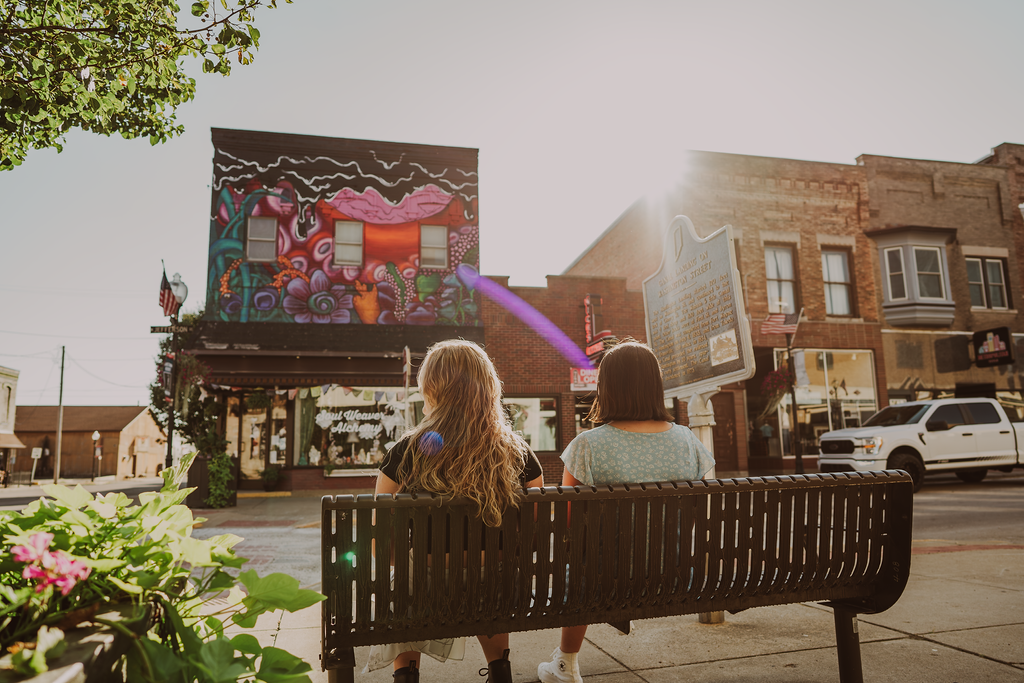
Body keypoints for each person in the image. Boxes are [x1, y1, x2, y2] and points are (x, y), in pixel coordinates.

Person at [537, 340, 714, 683]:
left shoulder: (587, 446)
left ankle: (566, 664)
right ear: (655, 387)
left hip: (602, 582)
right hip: (676, 576)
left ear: (606, 388)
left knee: (584, 567)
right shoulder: (688, 441)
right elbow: (695, 512)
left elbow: (569, 525)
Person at [368, 339, 544, 683]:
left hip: (425, 587)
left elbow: (378, 539)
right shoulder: (516, 451)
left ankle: (405, 675)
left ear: (432, 391)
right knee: (488, 574)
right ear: (488, 388)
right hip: (500, 583)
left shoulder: (408, 450)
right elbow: (534, 529)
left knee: (406, 577)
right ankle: (499, 669)